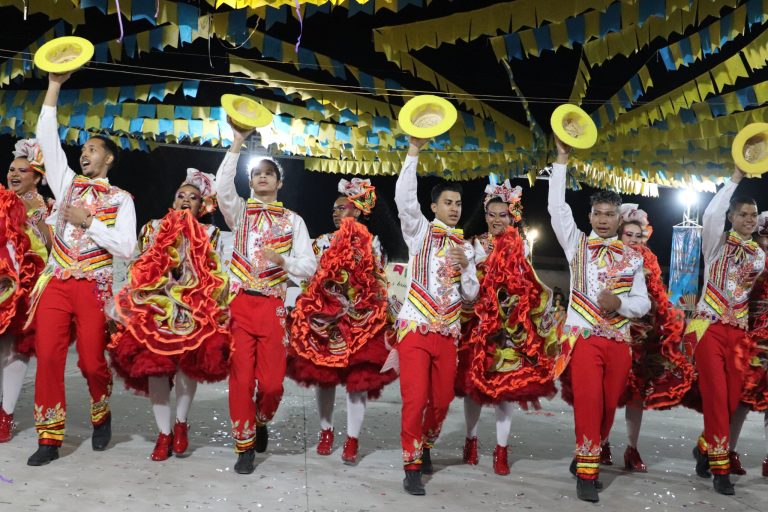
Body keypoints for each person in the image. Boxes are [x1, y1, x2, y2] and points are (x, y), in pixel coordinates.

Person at [27, 72, 137, 466]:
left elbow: (128, 246)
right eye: (83, 150)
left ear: (108, 158)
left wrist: (89, 222)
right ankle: (49, 436)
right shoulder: (66, 182)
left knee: (91, 361)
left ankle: (100, 411)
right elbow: (46, 136)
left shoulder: (122, 198)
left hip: (94, 285)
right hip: (56, 281)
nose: (84, 154)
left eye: (93, 149)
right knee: (49, 356)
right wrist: (55, 85)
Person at [547, 136, 650, 503]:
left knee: (608, 406)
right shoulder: (576, 244)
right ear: (589, 217)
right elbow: (557, 208)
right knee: (590, 402)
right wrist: (561, 159)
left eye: (610, 215)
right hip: (585, 339)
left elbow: (643, 303)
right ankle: (588, 474)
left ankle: (586, 453)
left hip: (619, 342)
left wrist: (619, 302)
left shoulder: (633, 257)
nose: (603, 220)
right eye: (598, 214)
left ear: (619, 218)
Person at [215, 119, 316, 475]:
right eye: (256, 173)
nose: (261, 178)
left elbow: (309, 266)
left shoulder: (293, 222)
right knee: (241, 378)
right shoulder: (239, 213)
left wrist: (283, 260)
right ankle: (244, 446)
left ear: (279, 182)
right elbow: (221, 187)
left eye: (268, 174)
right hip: (241, 305)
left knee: (272, 384)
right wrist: (237, 143)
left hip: (273, 307)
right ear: (251, 180)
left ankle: (261, 418)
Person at [109, 169, 231, 461]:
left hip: (194, 309)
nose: (186, 201)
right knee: (155, 369)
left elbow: (219, 273)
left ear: (203, 206)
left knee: (187, 366)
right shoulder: (152, 228)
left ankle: (180, 423)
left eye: (194, 197)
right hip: (154, 307)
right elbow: (136, 266)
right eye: (181, 196)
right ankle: (163, 433)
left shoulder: (212, 234)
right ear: (172, 200)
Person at [288, 177, 397, 465]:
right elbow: (308, 275)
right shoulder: (321, 242)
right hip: (327, 322)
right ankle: (326, 431)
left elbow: (378, 279)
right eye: (334, 209)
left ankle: (352, 439)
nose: (337, 213)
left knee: (357, 383)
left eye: (343, 207)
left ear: (359, 210)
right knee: (325, 380)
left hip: (362, 322)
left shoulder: (374, 243)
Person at [394, 136, 479, 495]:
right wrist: (413, 151)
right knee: (415, 399)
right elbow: (403, 198)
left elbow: (471, 295)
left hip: (448, 332)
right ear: (433, 206)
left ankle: (427, 443)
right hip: (415, 327)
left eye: (459, 203)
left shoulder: (466, 247)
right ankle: (411, 465)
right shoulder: (419, 231)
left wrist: (467, 267)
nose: (455, 208)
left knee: (442, 401)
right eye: (448, 202)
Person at [457, 180, 556, 475]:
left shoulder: (522, 246)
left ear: (513, 215)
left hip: (510, 329)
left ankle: (501, 451)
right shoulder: (473, 244)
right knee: (474, 389)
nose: (497, 219)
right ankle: (471, 440)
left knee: (506, 390)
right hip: (478, 324)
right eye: (492, 214)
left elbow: (529, 286)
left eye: (503, 214)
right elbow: (467, 287)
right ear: (485, 215)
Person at [684, 166, 764, 495]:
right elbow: (713, 211)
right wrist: (735, 177)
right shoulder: (716, 243)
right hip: (708, 326)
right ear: (732, 217)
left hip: (738, 333)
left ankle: (705, 446)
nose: (749, 219)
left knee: (730, 401)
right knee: (717, 398)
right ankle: (720, 467)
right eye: (743, 214)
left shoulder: (759, 255)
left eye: (754, 215)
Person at [597, 206, 691, 472]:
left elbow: (658, 301)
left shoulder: (648, 260)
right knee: (608, 394)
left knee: (636, 397)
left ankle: (631, 449)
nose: (636, 240)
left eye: (640, 236)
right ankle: (601, 443)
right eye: (630, 234)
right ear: (619, 233)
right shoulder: (608, 256)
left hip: (643, 338)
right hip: (613, 331)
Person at [0, 139, 49, 443]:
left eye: (22, 170)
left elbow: (53, 246)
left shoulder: (47, 207)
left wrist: (36, 216)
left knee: (16, 347)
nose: (14, 174)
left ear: (37, 177)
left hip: (27, 285)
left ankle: (5, 415)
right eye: (10, 169)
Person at [727, 211, 768, 477]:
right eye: (765, 235)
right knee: (741, 398)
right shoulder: (748, 256)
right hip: (749, 334)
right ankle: (725, 451)